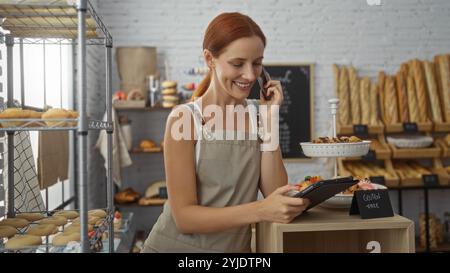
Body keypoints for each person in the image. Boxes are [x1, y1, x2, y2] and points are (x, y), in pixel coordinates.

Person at [142, 12, 309, 253]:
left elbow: (274, 193)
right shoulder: (185, 119)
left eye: (257, 63)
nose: (251, 75)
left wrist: (270, 118)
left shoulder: (258, 115)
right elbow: (185, 218)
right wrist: (260, 210)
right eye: (238, 63)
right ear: (210, 59)